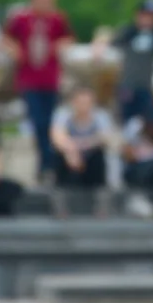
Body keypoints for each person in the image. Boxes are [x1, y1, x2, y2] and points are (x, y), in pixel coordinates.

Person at [3, 0, 73, 184]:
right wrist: (15, 50)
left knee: (50, 123)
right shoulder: (22, 18)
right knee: (39, 121)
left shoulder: (57, 19)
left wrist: (59, 46)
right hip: (29, 79)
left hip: (50, 78)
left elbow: (68, 38)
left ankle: (47, 165)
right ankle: (47, 164)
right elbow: (6, 38)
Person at [50, 85, 119, 217]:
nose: (84, 106)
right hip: (70, 157)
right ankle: (61, 207)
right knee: (59, 156)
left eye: (88, 103)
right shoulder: (63, 114)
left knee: (100, 157)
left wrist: (83, 145)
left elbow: (106, 138)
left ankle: (101, 207)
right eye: (80, 102)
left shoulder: (100, 116)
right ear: (73, 103)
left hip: (91, 157)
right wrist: (72, 151)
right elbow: (57, 137)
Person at [110, 0, 153, 125]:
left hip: (146, 86)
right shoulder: (129, 31)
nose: (150, 19)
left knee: (151, 121)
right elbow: (111, 41)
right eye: (147, 15)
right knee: (127, 121)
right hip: (128, 84)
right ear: (138, 15)